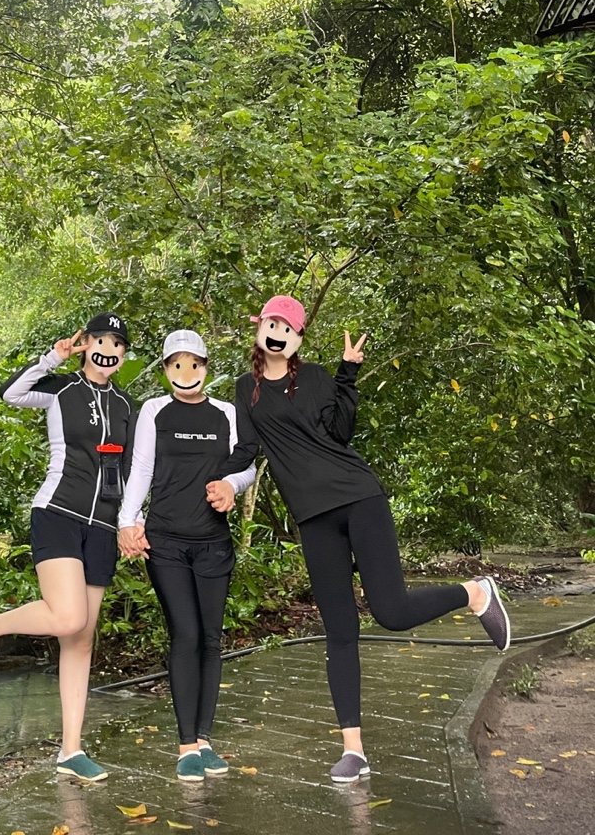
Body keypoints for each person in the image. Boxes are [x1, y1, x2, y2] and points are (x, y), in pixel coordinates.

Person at [206, 295, 511, 785]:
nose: (278, 334)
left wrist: (347, 373)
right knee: (340, 631)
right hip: (313, 519)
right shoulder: (248, 389)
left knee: (392, 612)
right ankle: (354, 751)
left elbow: (341, 432)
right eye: (271, 325)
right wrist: (220, 480)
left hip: (358, 497)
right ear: (259, 330)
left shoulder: (317, 378)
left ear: (298, 338)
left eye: (288, 328)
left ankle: (475, 592)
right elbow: (247, 448)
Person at [0, 311, 137, 784]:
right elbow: (11, 393)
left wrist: (133, 521)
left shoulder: (126, 405)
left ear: (123, 354)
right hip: (59, 512)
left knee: (81, 639)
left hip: (104, 526)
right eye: (100, 340)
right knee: (68, 617)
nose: (108, 349)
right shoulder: (61, 389)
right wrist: (52, 358)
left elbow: (133, 470)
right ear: (87, 344)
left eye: (117, 343)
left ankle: (70, 749)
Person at [118, 330, 257, 782]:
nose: (186, 371)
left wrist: (231, 486)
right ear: (165, 370)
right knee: (186, 633)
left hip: (213, 542)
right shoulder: (154, 411)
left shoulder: (227, 413)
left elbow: (246, 464)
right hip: (166, 542)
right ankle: (185, 747)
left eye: (194, 363)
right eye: (176, 364)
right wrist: (127, 520)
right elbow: (141, 468)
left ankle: (204, 740)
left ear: (205, 366)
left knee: (211, 639)